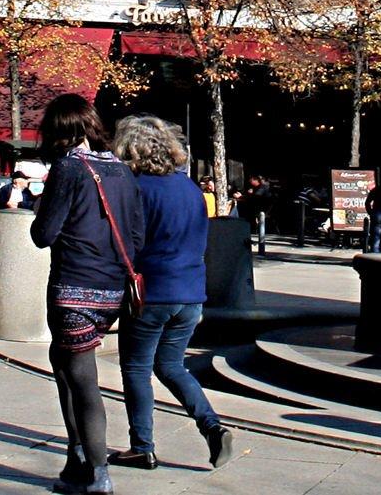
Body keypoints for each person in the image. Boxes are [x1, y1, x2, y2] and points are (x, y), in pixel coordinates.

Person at [30, 95, 143, 495]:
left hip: (73, 286)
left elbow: (42, 235)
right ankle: (75, 460)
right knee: (63, 363)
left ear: (57, 131)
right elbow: (136, 236)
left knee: (81, 378)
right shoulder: (123, 172)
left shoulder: (68, 168)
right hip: (112, 289)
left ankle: (98, 473)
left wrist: (41, 202)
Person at [108, 116, 236, 472]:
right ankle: (212, 425)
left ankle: (142, 446)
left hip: (152, 291)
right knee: (172, 365)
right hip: (191, 292)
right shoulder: (192, 189)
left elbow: (128, 243)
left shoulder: (136, 188)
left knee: (136, 368)